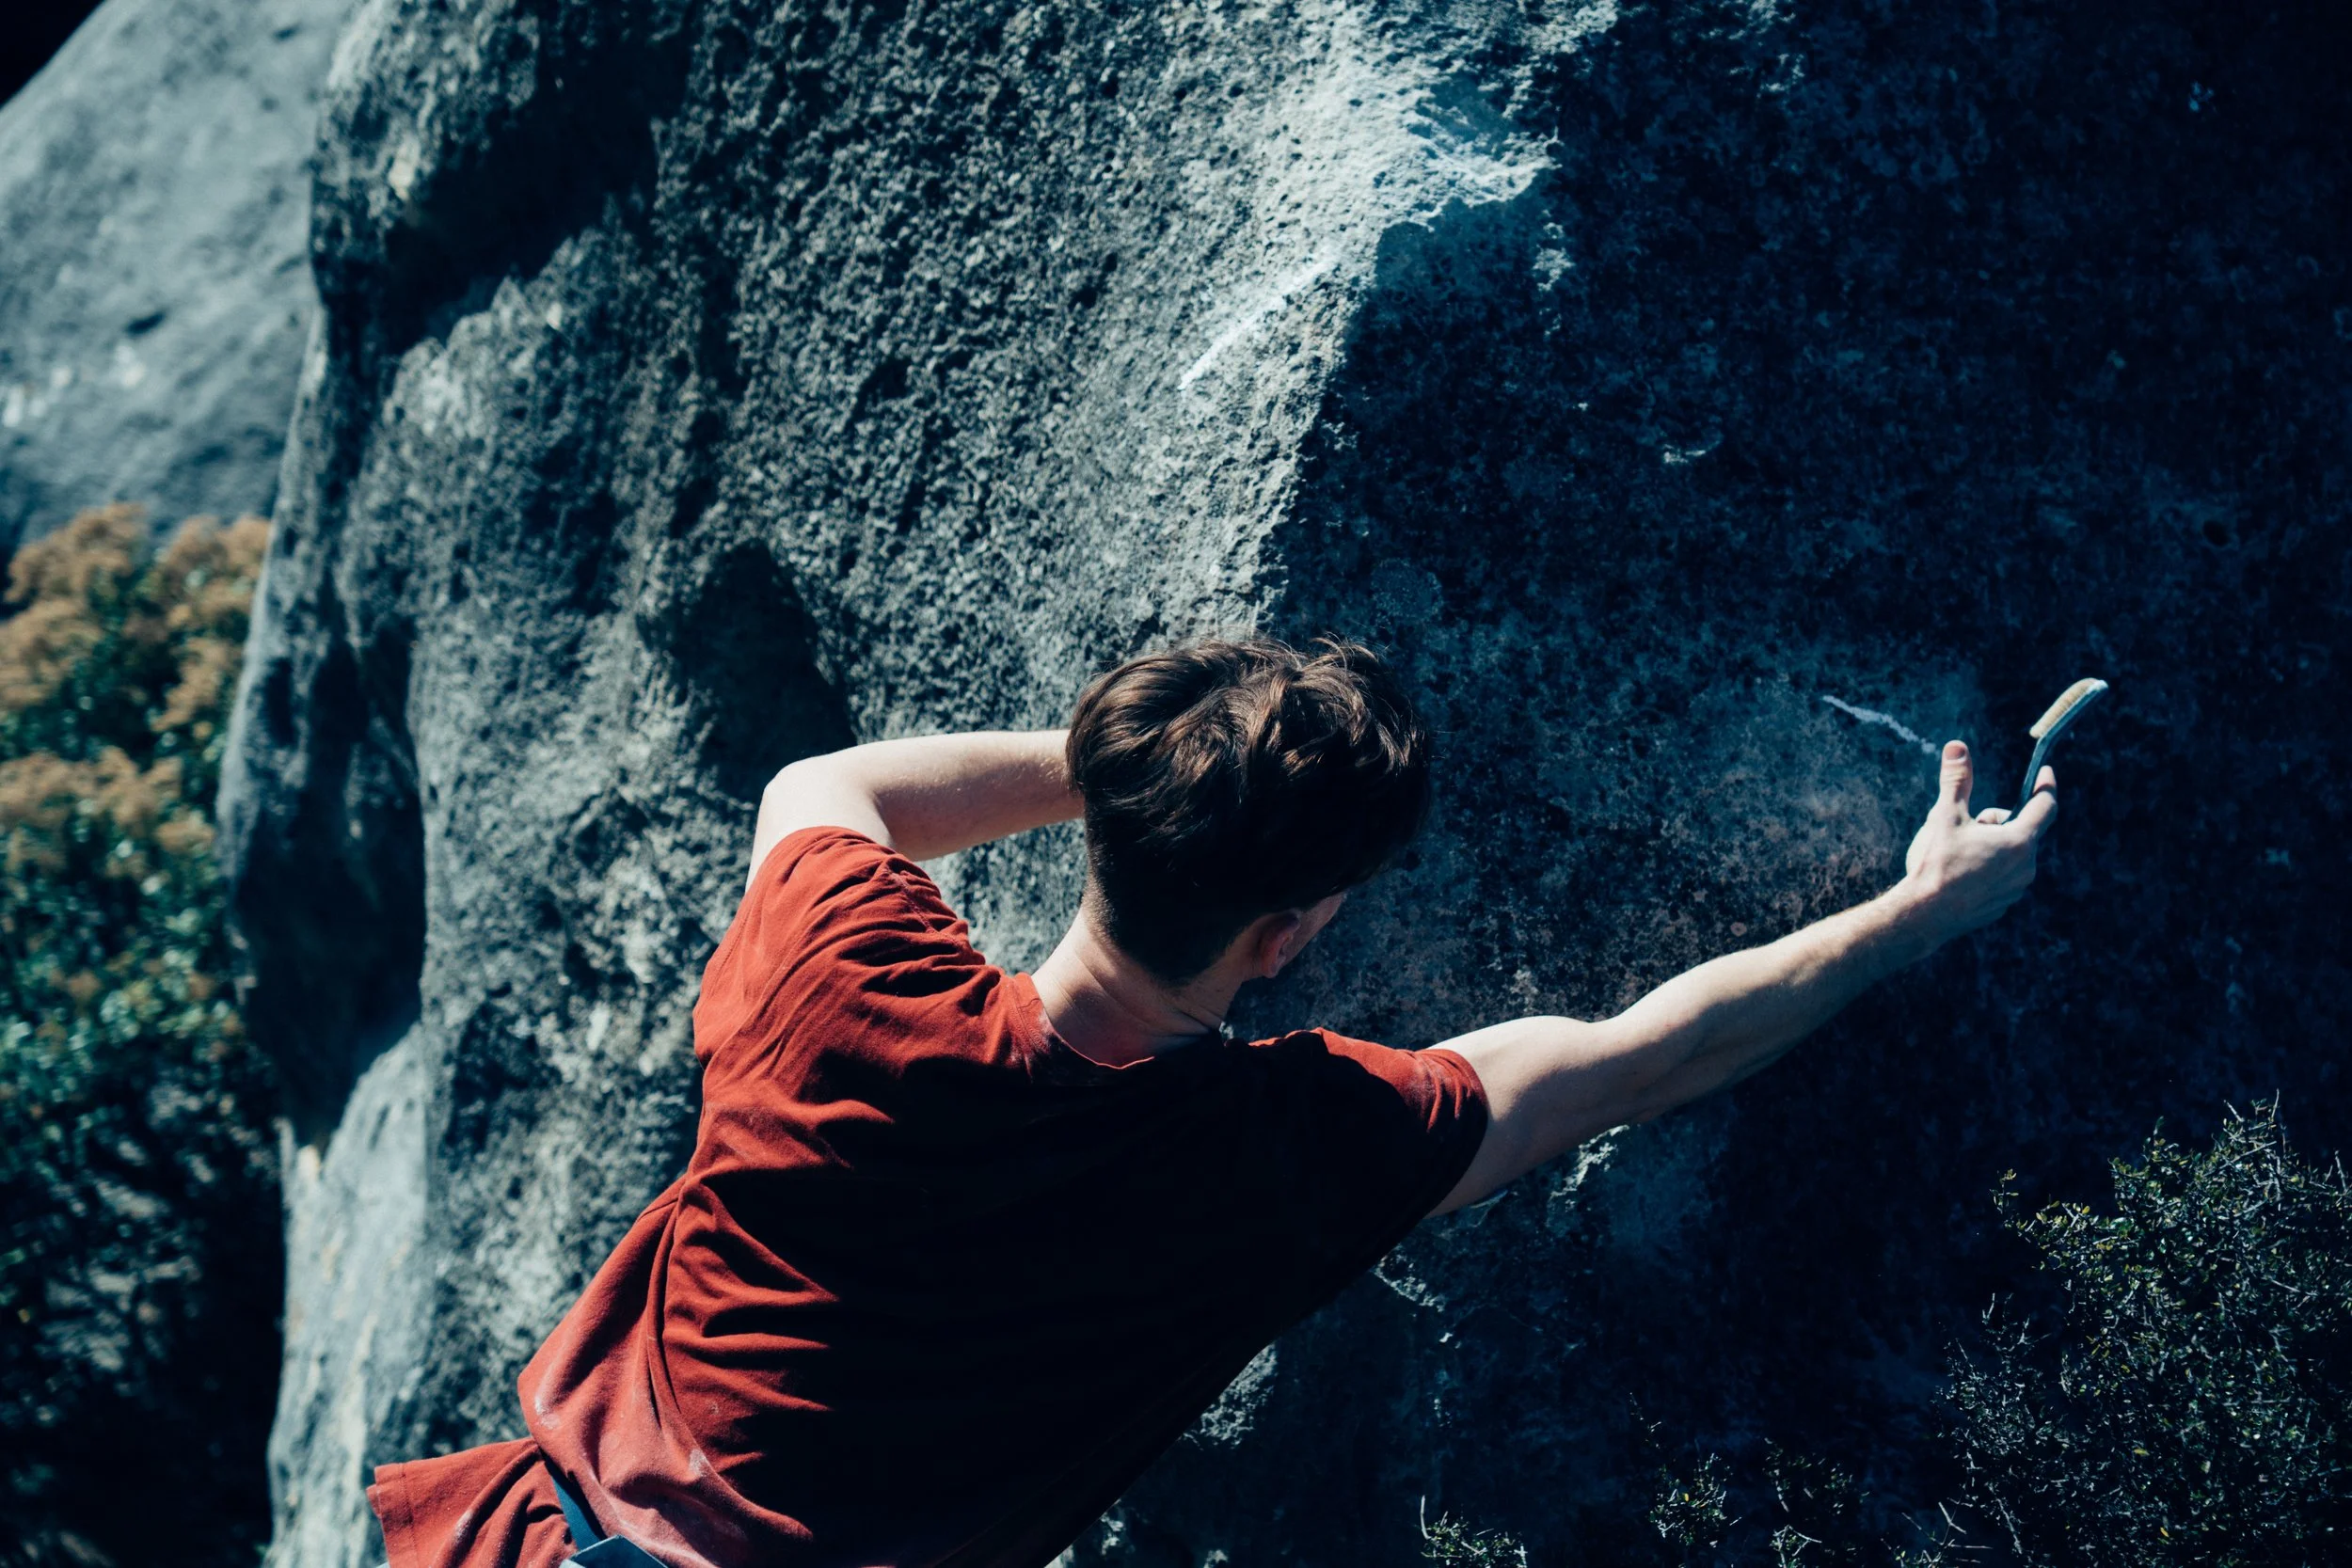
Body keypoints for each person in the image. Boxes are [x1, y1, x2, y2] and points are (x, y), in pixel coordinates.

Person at [366, 636, 2058, 1568]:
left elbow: (830, 785)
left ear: (1098, 833)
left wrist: (1142, 772)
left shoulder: (840, 973)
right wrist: (1917, 910)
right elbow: (1640, 1054)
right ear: (1294, 932)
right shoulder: (1289, 1160)